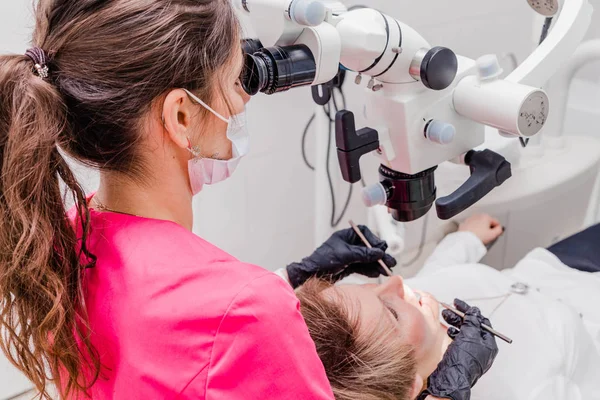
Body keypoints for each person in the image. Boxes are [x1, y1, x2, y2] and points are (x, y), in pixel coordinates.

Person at [0, 1, 399, 398]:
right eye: (234, 81)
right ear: (182, 117)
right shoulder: (248, 309)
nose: (243, 100)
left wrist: (289, 278)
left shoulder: (64, 238)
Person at [296, 214, 600, 400]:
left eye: (367, 286)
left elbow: (438, 270)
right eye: (391, 311)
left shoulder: (416, 306)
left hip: (545, 267)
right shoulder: (517, 390)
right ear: (411, 386)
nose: (397, 281)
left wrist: (466, 239)